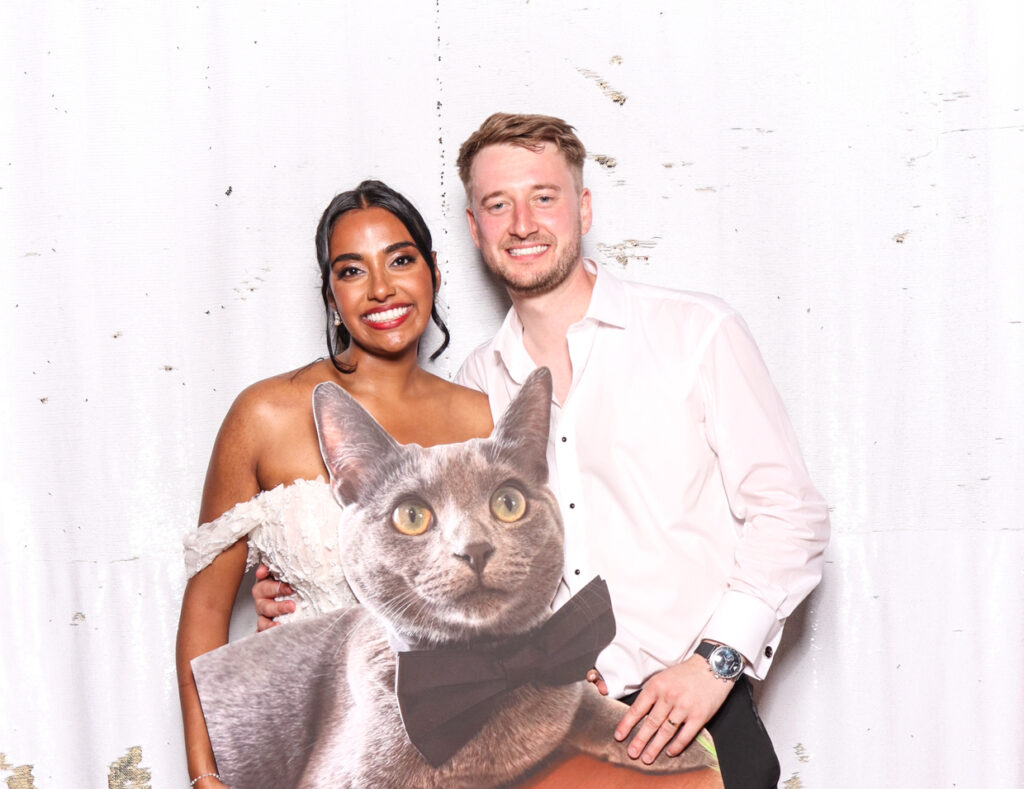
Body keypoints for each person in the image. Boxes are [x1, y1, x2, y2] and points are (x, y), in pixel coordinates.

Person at [255, 114, 830, 788]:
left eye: (544, 196)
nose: (522, 222)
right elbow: (430, 563)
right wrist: (309, 589)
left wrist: (715, 664)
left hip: (697, 714)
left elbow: (789, 516)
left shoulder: (695, 333)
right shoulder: (467, 398)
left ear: (583, 207)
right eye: (499, 204)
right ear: (474, 228)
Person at [175, 180, 493, 788]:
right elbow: (208, 607)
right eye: (352, 271)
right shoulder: (265, 416)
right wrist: (203, 773)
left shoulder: (481, 418)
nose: (381, 289)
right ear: (330, 294)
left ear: (434, 273)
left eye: (401, 260)